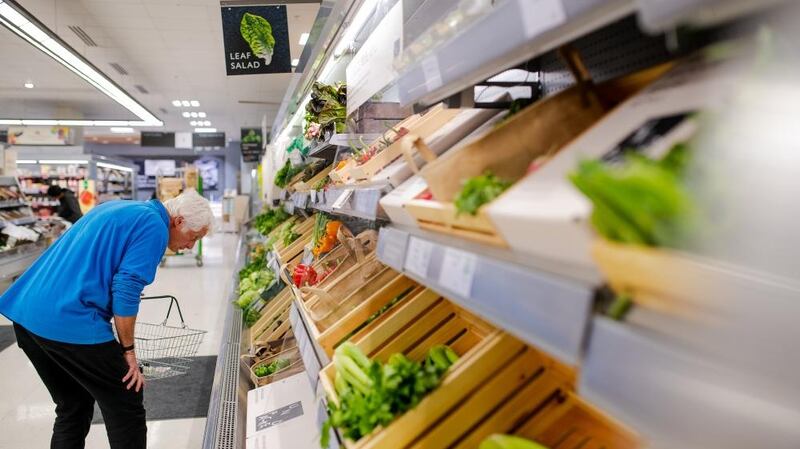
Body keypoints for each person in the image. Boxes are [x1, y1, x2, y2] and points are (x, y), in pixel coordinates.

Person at [0, 189, 213, 449]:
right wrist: (129, 352)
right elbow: (126, 287)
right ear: (178, 221)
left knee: (73, 405)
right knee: (126, 401)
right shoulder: (155, 226)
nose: (190, 246)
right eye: (193, 237)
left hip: (28, 315)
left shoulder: (120, 208)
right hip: (69, 320)